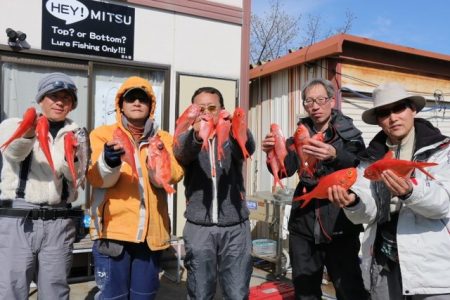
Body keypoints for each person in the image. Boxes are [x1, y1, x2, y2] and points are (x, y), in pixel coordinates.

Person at [329, 82, 450, 299]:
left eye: (399, 108)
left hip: (431, 268)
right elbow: (368, 210)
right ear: (378, 120)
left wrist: (410, 192)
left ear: (413, 109)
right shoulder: (369, 159)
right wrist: (353, 202)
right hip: (383, 260)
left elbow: (444, 203)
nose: (393, 117)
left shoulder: (442, 149)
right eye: (384, 113)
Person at [262, 78, 368, 300]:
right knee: (306, 290)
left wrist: (335, 155)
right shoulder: (299, 135)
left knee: (349, 288)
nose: (315, 106)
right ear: (304, 105)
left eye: (320, 100)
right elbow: (284, 171)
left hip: (341, 221)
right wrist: (271, 153)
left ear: (332, 101)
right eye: (309, 101)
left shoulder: (350, 134)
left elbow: (361, 167)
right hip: (304, 222)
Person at [87, 76, 184, 300]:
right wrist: (109, 161)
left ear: (151, 106)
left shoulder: (164, 139)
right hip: (112, 233)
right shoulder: (102, 134)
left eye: (143, 99)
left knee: (144, 297)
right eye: (131, 98)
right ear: (120, 104)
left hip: (151, 236)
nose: (137, 103)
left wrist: (157, 172)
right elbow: (95, 178)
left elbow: (176, 174)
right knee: (113, 297)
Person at [0, 72, 84, 299]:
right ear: (41, 99)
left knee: (55, 291)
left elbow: (78, 175)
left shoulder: (78, 133)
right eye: (52, 96)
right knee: (11, 288)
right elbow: (13, 152)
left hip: (59, 221)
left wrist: (73, 156)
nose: (59, 102)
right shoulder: (13, 124)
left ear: (72, 105)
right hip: (18, 217)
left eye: (66, 98)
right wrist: (28, 134)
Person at [173, 87, 255, 300]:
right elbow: (181, 153)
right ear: (193, 112)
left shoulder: (229, 132)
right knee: (200, 293)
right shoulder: (185, 136)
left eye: (212, 108)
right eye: (201, 109)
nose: (207, 113)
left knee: (237, 293)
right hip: (199, 225)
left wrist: (236, 125)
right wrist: (197, 136)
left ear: (222, 110)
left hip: (236, 225)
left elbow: (248, 147)